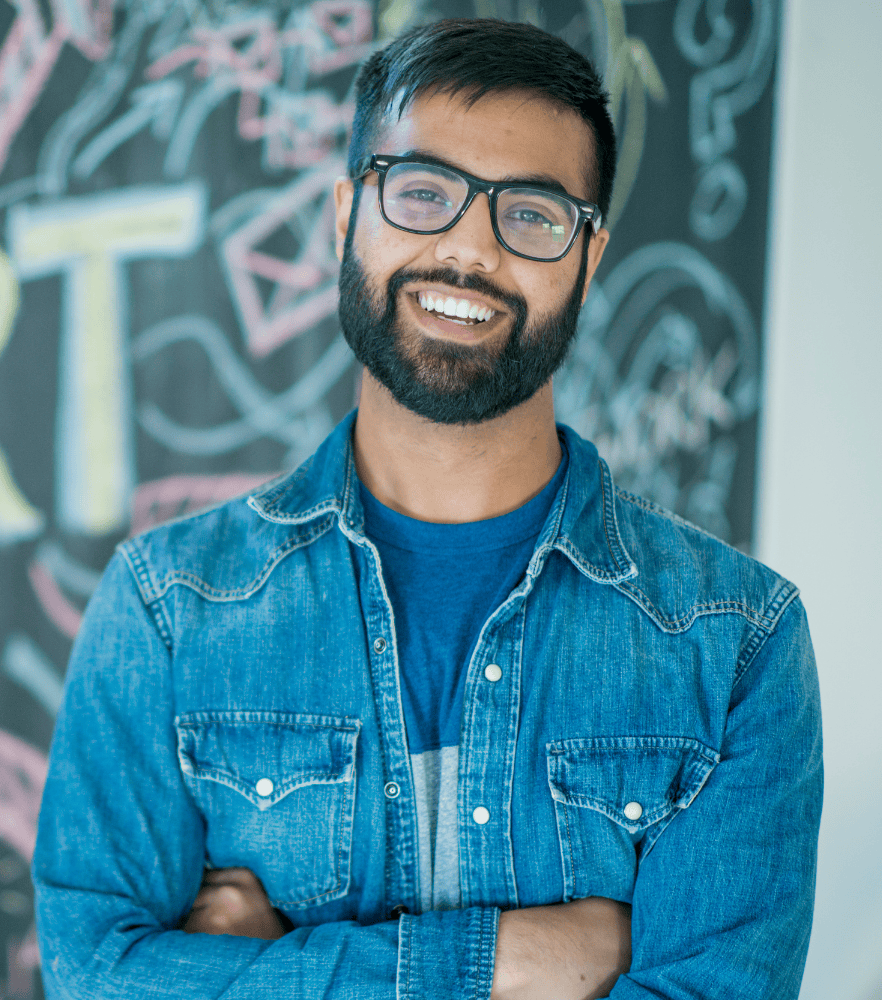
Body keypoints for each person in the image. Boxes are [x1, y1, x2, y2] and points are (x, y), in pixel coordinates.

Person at [32, 18, 822, 1000]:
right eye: (421, 192)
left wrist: (264, 964)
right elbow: (91, 977)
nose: (467, 250)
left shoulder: (737, 645)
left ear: (590, 255)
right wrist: (505, 962)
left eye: (531, 214)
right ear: (343, 216)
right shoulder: (169, 609)